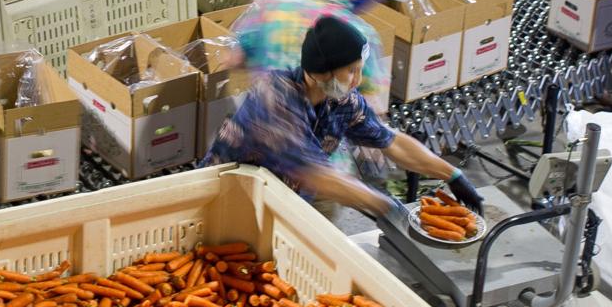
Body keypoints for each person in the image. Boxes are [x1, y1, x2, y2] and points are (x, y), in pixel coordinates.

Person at [203, 16, 483, 218]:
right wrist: (385, 205)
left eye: (360, 69)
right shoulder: (275, 101)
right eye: (351, 70)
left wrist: (452, 175)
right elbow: (319, 176)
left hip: (277, 203)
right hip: (223, 201)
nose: (357, 80)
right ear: (321, 71)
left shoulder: (341, 100)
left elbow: (391, 142)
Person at [232, 0, 407, 113]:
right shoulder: (359, 35)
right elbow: (370, 109)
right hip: (311, 139)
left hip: (254, 126)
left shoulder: (273, 1)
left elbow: (233, 59)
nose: (375, 2)